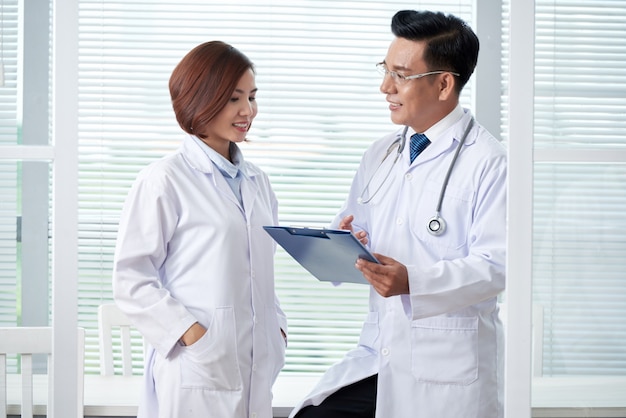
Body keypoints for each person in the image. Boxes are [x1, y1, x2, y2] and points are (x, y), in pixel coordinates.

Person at [290, 10, 507, 418]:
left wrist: (414, 281)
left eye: (401, 75)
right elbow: (355, 229)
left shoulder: (489, 162)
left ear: (444, 84)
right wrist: (344, 245)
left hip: (445, 368)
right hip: (381, 353)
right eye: (385, 70)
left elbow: (497, 266)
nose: (385, 87)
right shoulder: (381, 154)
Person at [112, 41, 287, 418]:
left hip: (255, 364)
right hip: (196, 368)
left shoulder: (258, 182)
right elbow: (131, 279)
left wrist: (277, 331)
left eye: (252, 97)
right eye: (233, 99)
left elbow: (260, 272)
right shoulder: (164, 179)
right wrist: (192, 334)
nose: (248, 111)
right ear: (201, 100)